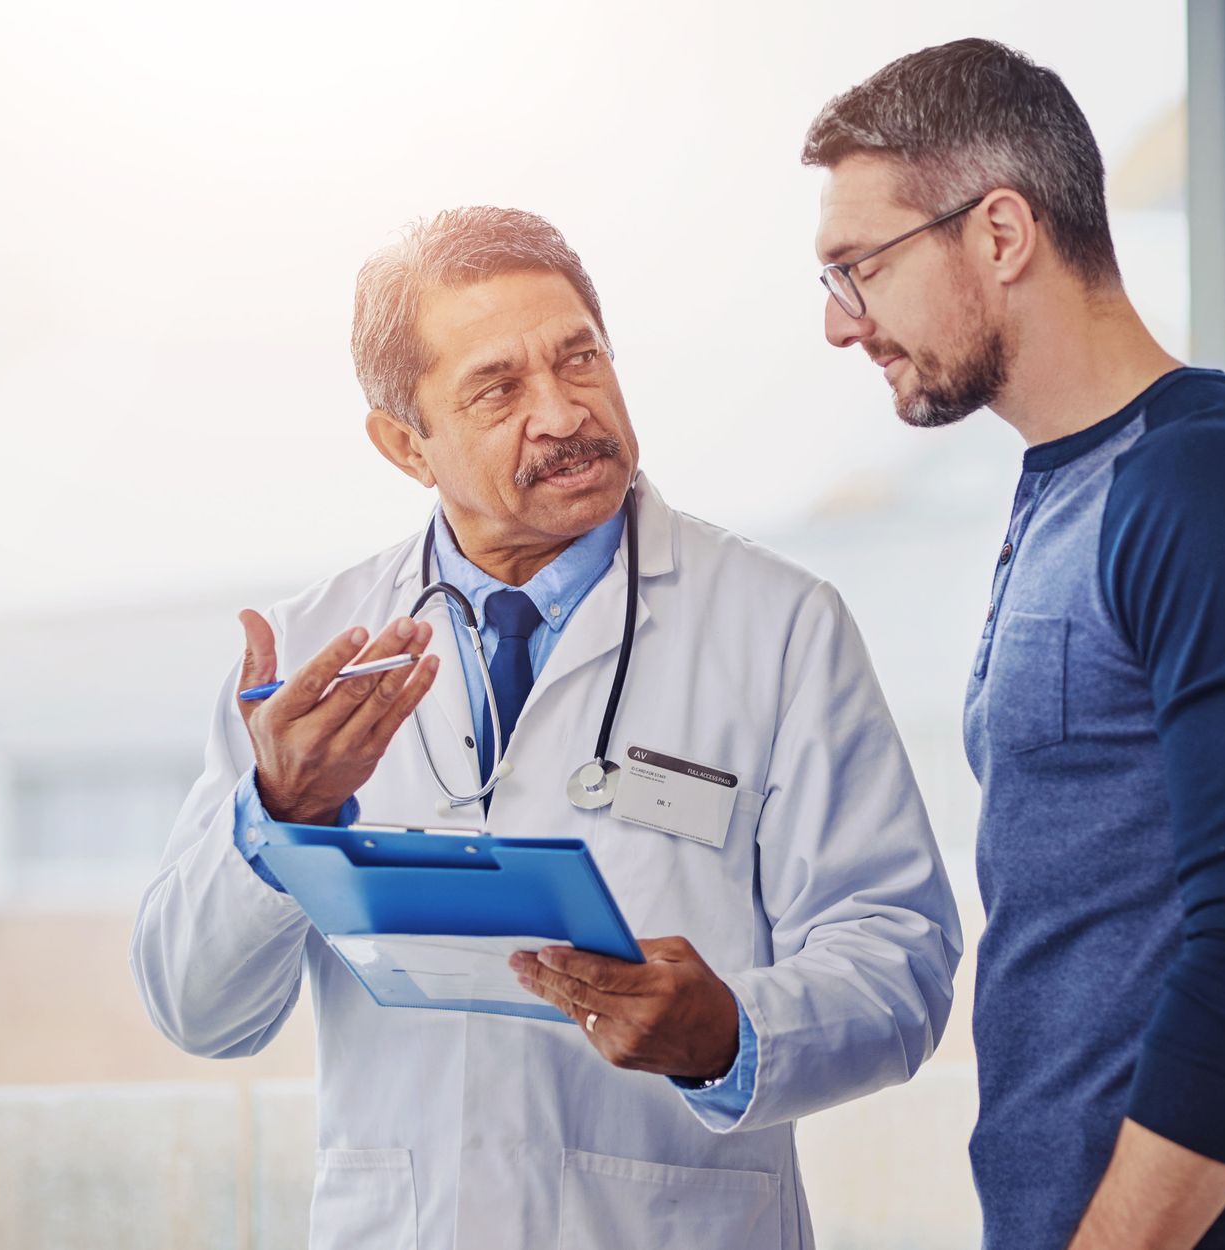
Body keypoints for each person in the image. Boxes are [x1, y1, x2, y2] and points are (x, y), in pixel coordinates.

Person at [130, 205, 961, 1250]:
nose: (565, 412)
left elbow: (900, 954)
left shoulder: (777, 623)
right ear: (404, 443)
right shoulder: (305, 657)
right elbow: (196, 1008)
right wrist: (278, 813)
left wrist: (732, 1033)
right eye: (498, 388)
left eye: (582, 360)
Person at [801, 38, 1225, 1250]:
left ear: (1002, 232)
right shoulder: (1068, 490)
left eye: (860, 268)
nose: (836, 322)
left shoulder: (1215, 488)